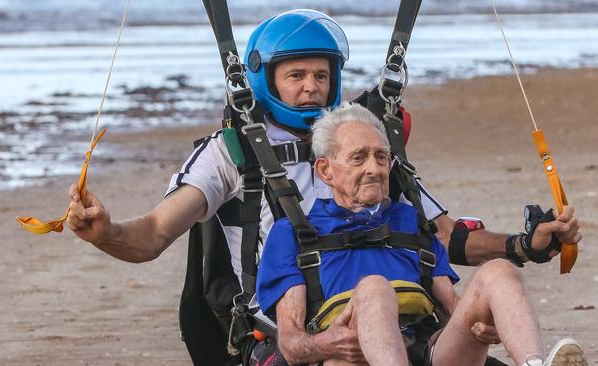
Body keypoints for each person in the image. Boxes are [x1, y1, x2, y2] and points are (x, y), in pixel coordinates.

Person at [65, 9, 582, 364]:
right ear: (267, 78)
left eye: (320, 75)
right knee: (370, 293)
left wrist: (523, 245)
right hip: (293, 320)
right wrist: (104, 231)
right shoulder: (232, 152)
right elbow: (153, 234)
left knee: (447, 283)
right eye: (296, 75)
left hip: (402, 319)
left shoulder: (366, 145)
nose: (311, 87)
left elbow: (440, 236)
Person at [256, 102, 587, 366]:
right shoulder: (293, 235)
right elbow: (291, 343)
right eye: (358, 158)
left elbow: (454, 308)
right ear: (326, 170)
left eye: (381, 157)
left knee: (498, 272)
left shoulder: (410, 222)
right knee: (373, 287)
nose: (373, 168)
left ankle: (533, 362)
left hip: (427, 352)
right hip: (347, 355)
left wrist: (486, 324)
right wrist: (326, 342)